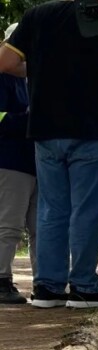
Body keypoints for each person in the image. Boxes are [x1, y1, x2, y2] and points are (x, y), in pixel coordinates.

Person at [0, 0, 98, 309]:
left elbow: (6, 62)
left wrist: (45, 68)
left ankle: (47, 288)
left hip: (45, 131)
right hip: (91, 129)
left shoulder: (37, 15)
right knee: (90, 210)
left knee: (52, 209)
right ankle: (84, 288)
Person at [0, 23, 36, 304]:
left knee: (41, 227)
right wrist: (33, 118)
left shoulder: (30, 80)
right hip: (10, 160)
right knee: (9, 225)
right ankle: (1, 280)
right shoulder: (3, 77)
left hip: (36, 162)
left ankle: (47, 280)